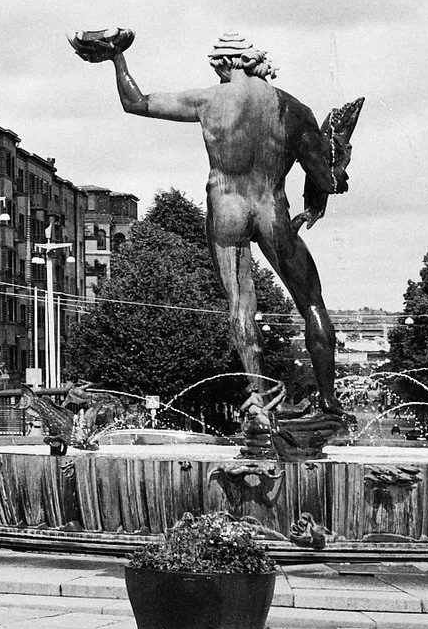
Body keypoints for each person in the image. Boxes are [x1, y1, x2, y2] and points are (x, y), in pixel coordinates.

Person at [75, 28, 363, 454]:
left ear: (227, 64)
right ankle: (328, 401)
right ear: (258, 65)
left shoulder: (209, 99)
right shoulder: (292, 109)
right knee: (312, 302)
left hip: (226, 205)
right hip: (271, 208)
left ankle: (259, 401)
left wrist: (117, 59)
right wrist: (340, 149)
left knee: (240, 305)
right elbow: (328, 179)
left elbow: (134, 102)